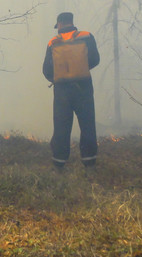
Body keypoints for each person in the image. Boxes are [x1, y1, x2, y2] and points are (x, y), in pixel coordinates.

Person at [42, 12, 100, 169]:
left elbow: (46, 70)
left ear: (59, 24)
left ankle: (59, 165)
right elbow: (95, 60)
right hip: (84, 88)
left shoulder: (53, 42)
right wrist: (80, 70)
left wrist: (59, 78)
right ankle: (89, 163)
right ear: (71, 22)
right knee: (87, 125)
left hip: (62, 92)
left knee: (62, 127)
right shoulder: (87, 36)